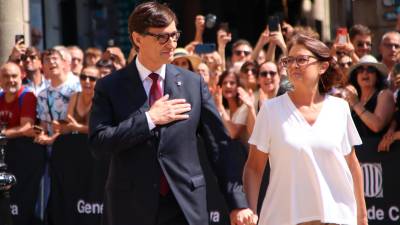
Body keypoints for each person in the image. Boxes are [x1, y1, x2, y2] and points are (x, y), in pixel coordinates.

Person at [88, 2, 256, 225]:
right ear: (138, 39)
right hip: (130, 208)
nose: (172, 44)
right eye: (162, 37)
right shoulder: (110, 86)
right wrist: (149, 119)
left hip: (185, 207)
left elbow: (220, 147)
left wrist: (238, 203)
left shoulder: (192, 84)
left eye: (174, 35)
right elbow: (99, 144)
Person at [243, 34, 367, 225]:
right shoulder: (270, 110)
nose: (293, 65)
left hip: (338, 219)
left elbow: (352, 165)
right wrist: (250, 210)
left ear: (322, 66)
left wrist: (362, 218)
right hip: (283, 219)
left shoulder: (340, 108)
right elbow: (253, 168)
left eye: (301, 60)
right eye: (289, 60)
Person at [345, 55, 395, 142]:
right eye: (360, 70)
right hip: (356, 152)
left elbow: (377, 126)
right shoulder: (354, 98)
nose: (365, 73)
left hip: (379, 153)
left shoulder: (384, 94)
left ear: (377, 75)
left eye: (370, 69)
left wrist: (356, 104)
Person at [0, 62, 36, 138]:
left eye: (14, 76)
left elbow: (26, 128)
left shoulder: (27, 96)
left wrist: (2, 134)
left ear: (21, 77)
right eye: (6, 76)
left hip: (20, 145)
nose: (10, 80)